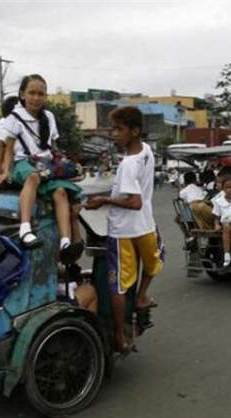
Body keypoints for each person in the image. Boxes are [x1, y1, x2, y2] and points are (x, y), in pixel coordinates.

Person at [85, 106, 164, 353]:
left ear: (135, 131)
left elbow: (134, 202)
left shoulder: (128, 163)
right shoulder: (147, 151)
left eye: (119, 129)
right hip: (146, 225)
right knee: (156, 259)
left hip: (123, 231)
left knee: (118, 285)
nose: (113, 134)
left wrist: (103, 200)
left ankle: (120, 336)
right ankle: (141, 296)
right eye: (113, 129)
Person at [0, 74, 82, 260]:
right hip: (24, 164)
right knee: (33, 177)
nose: (36, 98)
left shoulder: (49, 117)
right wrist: (5, 172)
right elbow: (8, 149)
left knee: (60, 192)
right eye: (32, 93)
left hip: (46, 165)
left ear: (45, 96)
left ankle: (65, 241)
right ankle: (25, 229)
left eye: (40, 94)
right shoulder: (14, 118)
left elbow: (53, 147)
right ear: (22, 94)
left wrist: (62, 163)